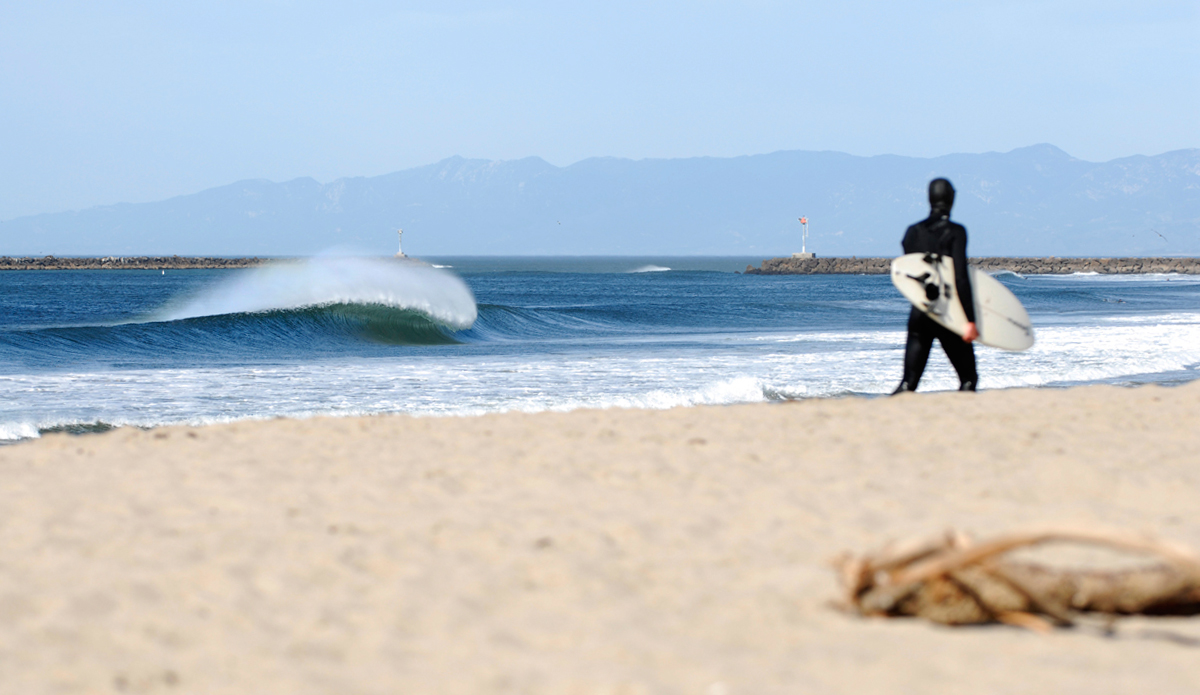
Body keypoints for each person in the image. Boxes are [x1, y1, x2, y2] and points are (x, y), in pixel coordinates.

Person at [893, 178, 978, 393]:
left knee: (908, 383)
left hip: (920, 312)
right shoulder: (955, 231)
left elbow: (913, 272)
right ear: (952, 199)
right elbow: (959, 277)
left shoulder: (912, 231)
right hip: (947, 313)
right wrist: (970, 320)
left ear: (929, 199)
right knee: (968, 379)